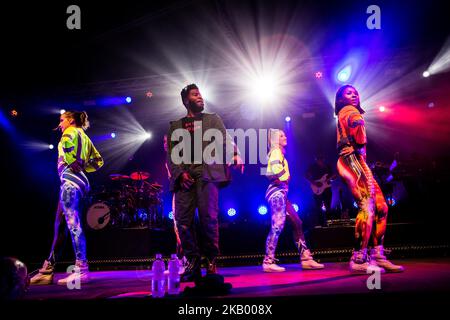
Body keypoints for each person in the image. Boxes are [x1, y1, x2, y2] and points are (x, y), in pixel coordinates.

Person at [166, 84, 243, 282]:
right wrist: (180, 174)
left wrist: (234, 154)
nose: (199, 97)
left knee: (209, 219)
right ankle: (192, 262)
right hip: (186, 177)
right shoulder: (176, 125)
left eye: (200, 93)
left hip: (208, 173)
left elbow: (225, 139)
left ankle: (211, 261)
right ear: (186, 101)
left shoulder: (212, 119)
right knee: (183, 222)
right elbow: (172, 155)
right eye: (194, 94)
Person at [335, 85, 404, 273]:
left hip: (358, 161)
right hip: (350, 159)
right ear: (340, 99)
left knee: (382, 207)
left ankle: (377, 255)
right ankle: (358, 258)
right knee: (367, 205)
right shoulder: (348, 110)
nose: (354, 95)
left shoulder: (350, 111)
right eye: (349, 93)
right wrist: (358, 124)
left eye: (355, 92)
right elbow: (356, 128)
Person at [30, 111, 104, 285]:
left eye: (62, 120)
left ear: (71, 120)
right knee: (61, 225)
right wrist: (83, 166)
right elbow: (99, 161)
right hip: (77, 181)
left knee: (72, 223)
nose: (60, 123)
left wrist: (72, 161)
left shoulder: (70, 131)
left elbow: (68, 145)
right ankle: (47, 270)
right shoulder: (85, 137)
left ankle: (82, 269)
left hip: (70, 180)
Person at [263, 129, 324, 272]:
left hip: (281, 193)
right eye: (281, 135)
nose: (285, 137)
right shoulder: (276, 151)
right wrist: (283, 177)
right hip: (277, 192)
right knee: (278, 224)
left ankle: (306, 259)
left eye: (284, 134)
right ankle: (268, 261)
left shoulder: (278, 153)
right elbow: (270, 173)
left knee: (297, 222)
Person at [163, 134, 187, 274]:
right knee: (177, 228)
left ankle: (184, 262)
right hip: (177, 193)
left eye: (167, 141)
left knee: (181, 227)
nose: (164, 144)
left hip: (182, 194)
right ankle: (179, 261)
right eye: (163, 142)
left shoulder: (178, 156)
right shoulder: (169, 158)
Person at [305, 154, 335, 227]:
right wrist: (314, 182)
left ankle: (328, 223)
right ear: (316, 160)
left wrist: (331, 179)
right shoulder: (313, 167)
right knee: (318, 207)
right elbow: (306, 175)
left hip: (327, 189)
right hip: (317, 189)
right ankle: (320, 224)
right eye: (318, 160)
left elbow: (333, 177)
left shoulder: (327, 167)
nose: (320, 161)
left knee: (328, 206)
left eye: (321, 160)